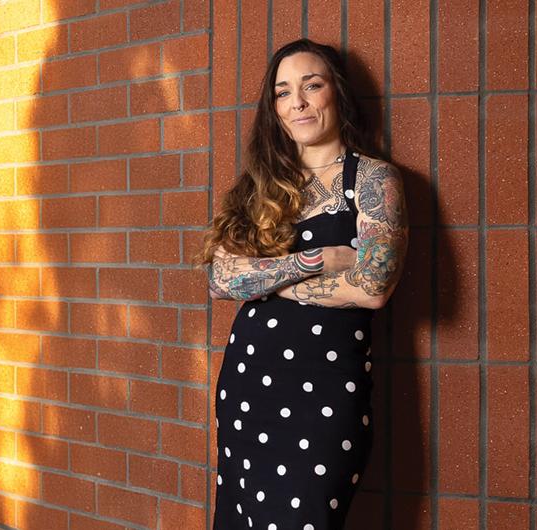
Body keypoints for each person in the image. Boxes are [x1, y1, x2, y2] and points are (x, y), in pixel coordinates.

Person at [200, 38, 405, 530]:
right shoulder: (259, 186)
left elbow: (373, 286)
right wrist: (318, 260)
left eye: (312, 86)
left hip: (326, 393)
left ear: (337, 94)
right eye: (283, 92)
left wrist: (266, 281)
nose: (298, 102)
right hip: (249, 390)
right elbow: (220, 278)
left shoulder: (373, 180)